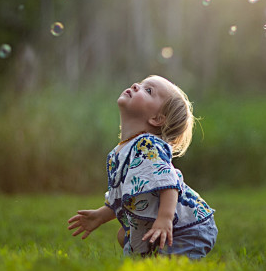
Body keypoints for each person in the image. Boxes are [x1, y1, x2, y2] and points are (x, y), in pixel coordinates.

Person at [67, 75, 217, 259]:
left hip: (188, 227)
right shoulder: (120, 152)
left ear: (156, 118)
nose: (136, 85)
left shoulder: (147, 145)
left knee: (165, 270)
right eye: (142, 83)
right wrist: (100, 216)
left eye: (148, 90)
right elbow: (126, 197)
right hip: (165, 222)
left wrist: (165, 219)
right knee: (124, 236)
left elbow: (170, 183)